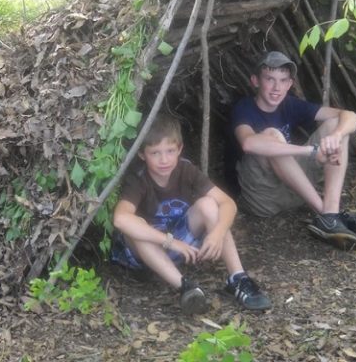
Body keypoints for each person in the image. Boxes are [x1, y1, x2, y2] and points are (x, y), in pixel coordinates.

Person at [111, 114, 271, 314]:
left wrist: (217, 233)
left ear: (179, 149)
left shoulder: (186, 169)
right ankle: (186, 287)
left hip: (181, 245)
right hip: (148, 252)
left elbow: (227, 203)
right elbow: (120, 219)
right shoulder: (139, 179)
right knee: (136, 226)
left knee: (208, 204)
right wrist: (169, 241)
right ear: (142, 155)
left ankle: (238, 279)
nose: (164, 160)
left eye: (170, 151)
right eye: (155, 153)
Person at [231, 51, 356, 250]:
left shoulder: (290, 105)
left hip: (294, 188)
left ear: (290, 84)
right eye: (270, 79)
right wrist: (311, 150)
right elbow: (249, 143)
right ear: (255, 81)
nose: (277, 87)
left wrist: (336, 136)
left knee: (336, 123)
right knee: (272, 136)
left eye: (283, 80)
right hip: (264, 197)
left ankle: (331, 215)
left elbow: (350, 116)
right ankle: (326, 216)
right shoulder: (244, 108)